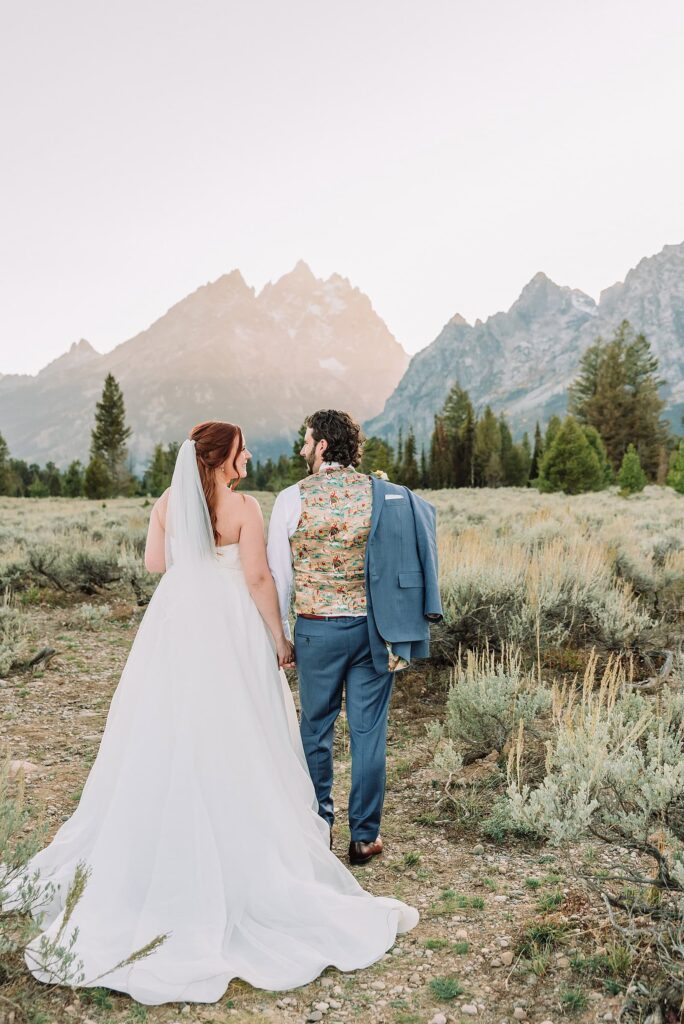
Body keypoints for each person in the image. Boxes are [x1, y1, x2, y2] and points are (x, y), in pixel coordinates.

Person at [2, 421, 418, 1006]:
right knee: (240, 728)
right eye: (242, 449)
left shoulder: (169, 501)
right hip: (230, 624)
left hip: (178, 621)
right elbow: (256, 577)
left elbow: (154, 562)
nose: (249, 455)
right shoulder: (245, 507)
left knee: (169, 725)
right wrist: (279, 638)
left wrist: (191, 557)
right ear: (226, 459)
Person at [267, 410, 442, 867]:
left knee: (315, 730)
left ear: (323, 445)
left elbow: (279, 577)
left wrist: (280, 635)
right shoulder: (382, 495)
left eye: (307, 441)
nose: (302, 449)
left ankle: (317, 829)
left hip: (316, 631)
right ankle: (365, 837)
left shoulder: (292, 499)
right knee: (368, 734)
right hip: (373, 631)